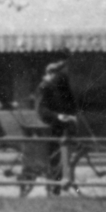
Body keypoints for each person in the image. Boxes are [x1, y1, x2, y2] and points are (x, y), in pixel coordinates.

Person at [36, 60, 78, 194]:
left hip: (57, 124)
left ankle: (56, 186)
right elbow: (42, 110)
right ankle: (54, 187)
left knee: (60, 155)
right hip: (49, 125)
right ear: (52, 74)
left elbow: (65, 102)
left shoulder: (56, 85)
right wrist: (57, 116)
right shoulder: (45, 86)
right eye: (58, 74)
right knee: (55, 157)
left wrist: (70, 114)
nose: (60, 77)